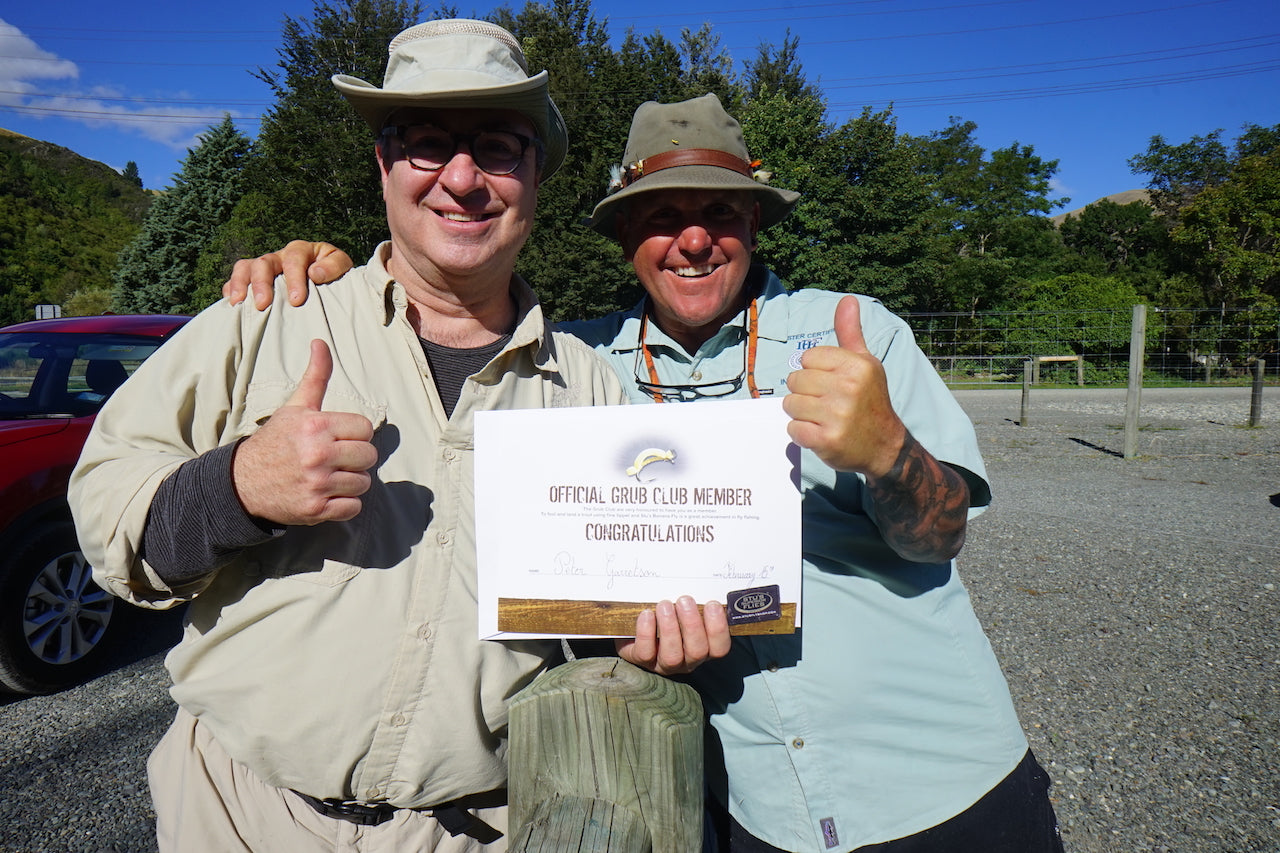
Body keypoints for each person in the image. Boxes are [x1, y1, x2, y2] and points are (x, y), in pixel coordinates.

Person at [227, 94, 1064, 852]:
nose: (693, 237)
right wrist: (321, 274)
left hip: (945, 786)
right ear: (627, 237)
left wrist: (890, 452)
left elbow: (941, 536)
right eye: (663, 215)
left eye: (719, 212)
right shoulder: (582, 366)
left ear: (754, 223)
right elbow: (445, 318)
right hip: (750, 809)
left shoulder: (852, 335)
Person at [66, 20, 730, 853]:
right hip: (238, 816)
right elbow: (108, 524)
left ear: (534, 177)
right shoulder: (269, 315)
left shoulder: (592, 389)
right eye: (426, 144)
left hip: (472, 832)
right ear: (383, 163)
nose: (462, 178)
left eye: (497, 147)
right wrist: (237, 486)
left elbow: (591, 611)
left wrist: (643, 641)